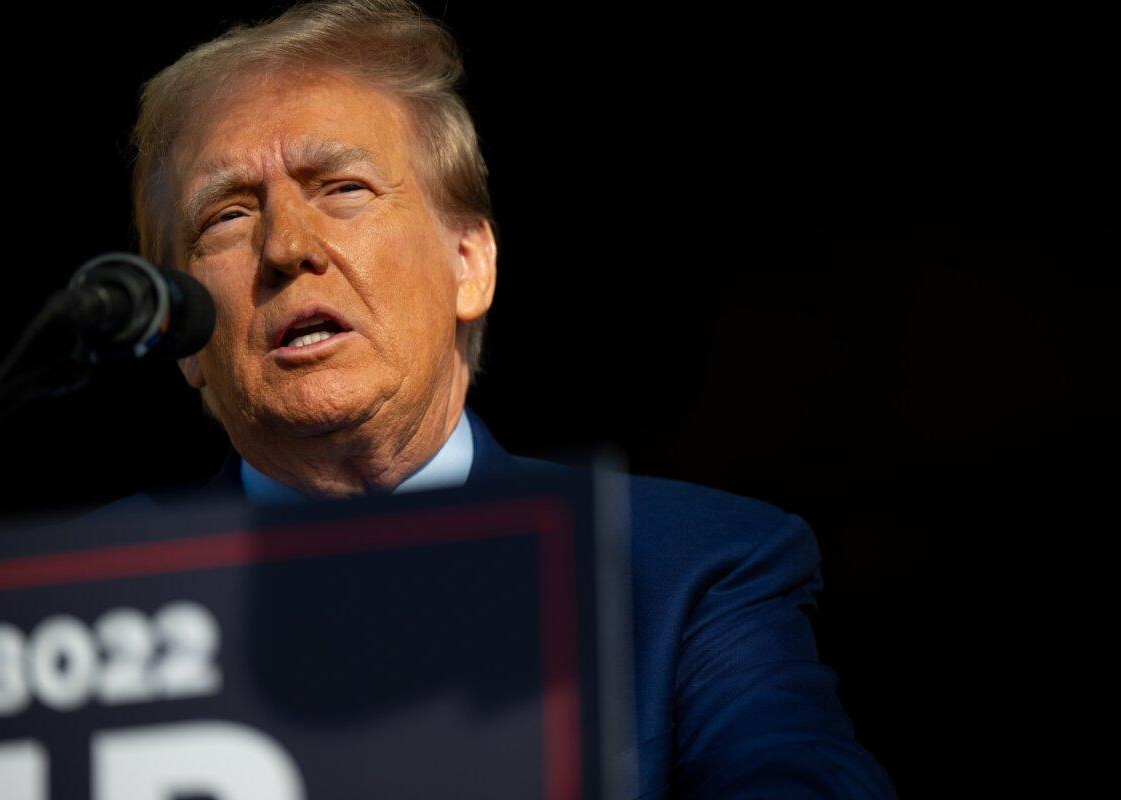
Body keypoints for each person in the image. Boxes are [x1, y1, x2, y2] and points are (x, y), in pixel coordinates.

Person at [123, 1, 897, 796]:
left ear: (469, 265)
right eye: (228, 215)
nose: (285, 248)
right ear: (184, 338)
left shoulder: (685, 571)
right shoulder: (80, 600)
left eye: (343, 188)